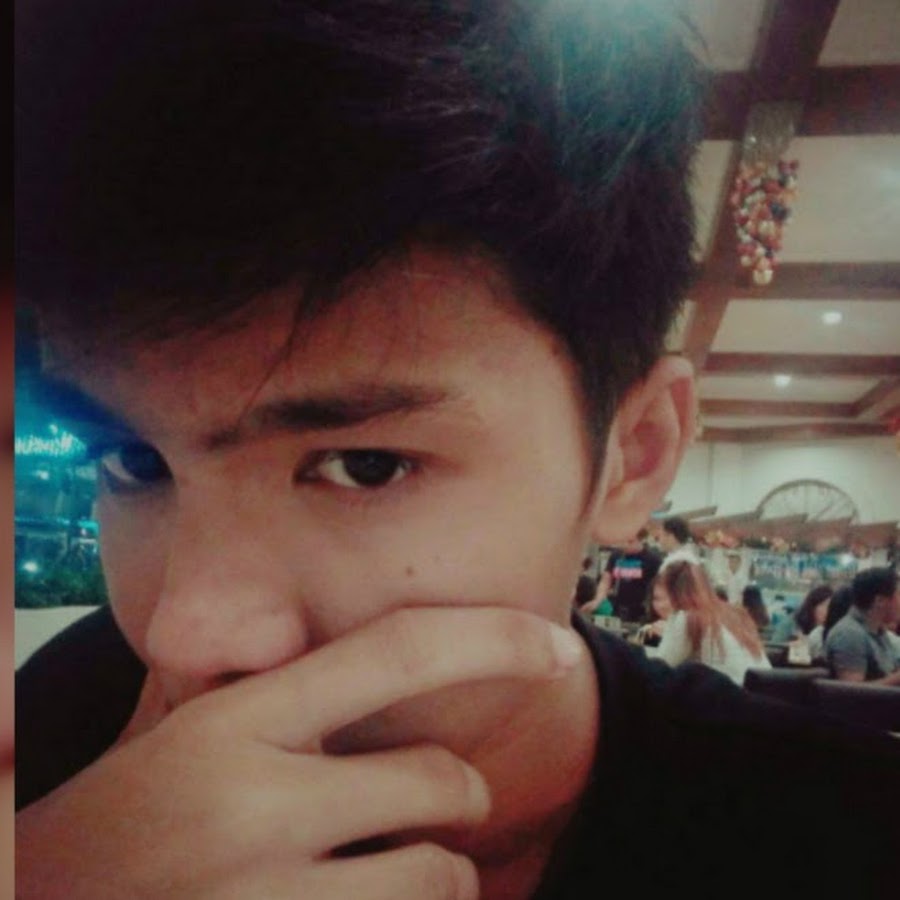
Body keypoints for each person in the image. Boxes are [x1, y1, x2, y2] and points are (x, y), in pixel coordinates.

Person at [14, 2, 900, 898]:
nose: (185, 637)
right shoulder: (58, 740)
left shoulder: (847, 839)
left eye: (366, 465)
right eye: (134, 461)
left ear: (633, 454)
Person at [654, 562, 770, 686]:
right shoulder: (733, 613)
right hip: (766, 691)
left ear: (672, 593)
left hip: (731, 694)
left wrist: (670, 626)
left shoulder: (688, 618)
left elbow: (660, 669)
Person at [825, 567, 900, 685]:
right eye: (898, 596)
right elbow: (852, 691)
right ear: (880, 601)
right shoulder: (848, 634)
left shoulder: (878, 632)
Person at [584, 530, 661, 622]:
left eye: (630, 542)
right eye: (623, 541)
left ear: (640, 540)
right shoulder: (616, 555)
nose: (625, 545)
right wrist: (598, 600)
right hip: (617, 608)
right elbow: (606, 580)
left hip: (640, 611)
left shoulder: (653, 559)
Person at [793, 584, 833, 662]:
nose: (827, 610)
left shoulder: (832, 632)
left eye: (831, 606)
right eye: (823, 605)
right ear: (812, 606)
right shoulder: (794, 626)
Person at [635, 574, 673, 649]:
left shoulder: (691, 632)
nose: (662, 605)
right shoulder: (646, 631)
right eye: (657, 599)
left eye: (668, 598)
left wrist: (669, 635)